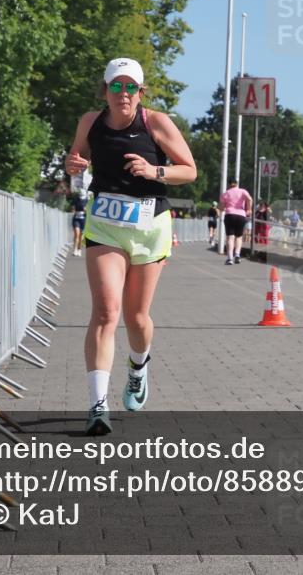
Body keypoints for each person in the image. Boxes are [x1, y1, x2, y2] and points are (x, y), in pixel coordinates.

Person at [65, 57, 197, 435]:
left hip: (149, 226)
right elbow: (76, 159)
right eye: (117, 87)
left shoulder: (155, 123)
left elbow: (189, 169)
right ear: (105, 90)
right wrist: (72, 165)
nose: (124, 94)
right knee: (106, 311)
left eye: (131, 88)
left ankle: (138, 367)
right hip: (105, 226)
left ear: (141, 92)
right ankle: (97, 405)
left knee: (137, 318)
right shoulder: (90, 122)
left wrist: (155, 171)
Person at [220, 179, 252, 265]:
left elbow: (222, 208)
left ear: (229, 184)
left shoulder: (226, 193)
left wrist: (224, 207)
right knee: (239, 237)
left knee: (230, 237)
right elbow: (249, 199)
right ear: (237, 184)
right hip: (241, 215)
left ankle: (230, 257)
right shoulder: (243, 191)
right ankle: (237, 254)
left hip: (229, 215)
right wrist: (249, 209)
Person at [71, 189, 88, 256]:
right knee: (76, 234)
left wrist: (86, 210)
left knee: (81, 235)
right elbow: (73, 207)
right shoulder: (76, 199)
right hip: (76, 218)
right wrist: (73, 210)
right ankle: (75, 249)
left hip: (83, 219)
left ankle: (79, 249)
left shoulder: (87, 200)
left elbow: (89, 210)